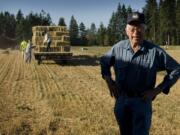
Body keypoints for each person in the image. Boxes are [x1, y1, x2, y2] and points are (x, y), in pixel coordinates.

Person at [100, 12, 180, 135]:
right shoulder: (118, 48)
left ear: (145, 30)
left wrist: (157, 90)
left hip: (141, 103)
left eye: (140, 28)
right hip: (122, 101)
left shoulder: (155, 51)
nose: (136, 32)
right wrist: (109, 80)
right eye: (132, 28)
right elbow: (104, 61)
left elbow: (176, 69)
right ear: (126, 31)